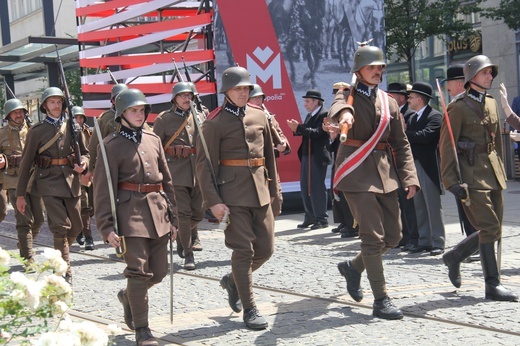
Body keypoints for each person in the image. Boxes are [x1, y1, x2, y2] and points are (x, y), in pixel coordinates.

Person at [330, 45, 419, 320]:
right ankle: (381, 300)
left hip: (384, 175)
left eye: (380, 67)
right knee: (373, 237)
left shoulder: (388, 102)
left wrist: (409, 176)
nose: (377, 72)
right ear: (359, 70)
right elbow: (338, 106)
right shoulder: (347, 94)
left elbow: (400, 143)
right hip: (355, 174)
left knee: (393, 236)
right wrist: (344, 114)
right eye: (372, 67)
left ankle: (353, 267)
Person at [196, 66, 280, 330]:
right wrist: (213, 201)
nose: (243, 93)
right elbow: (203, 165)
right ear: (227, 91)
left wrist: (275, 192)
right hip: (231, 195)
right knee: (244, 251)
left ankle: (233, 281)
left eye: (246, 88)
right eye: (238, 89)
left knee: (265, 250)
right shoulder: (214, 122)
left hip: (261, 192)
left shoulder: (259, 115)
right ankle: (250, 308)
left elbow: (269, 158)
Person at [94, 88, 179, 345]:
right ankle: (142, 329)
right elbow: (101, 188)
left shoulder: (153, 139)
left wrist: (174, 218)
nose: (139, 115)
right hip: (129, 214)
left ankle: (129, 295)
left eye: (142, 110)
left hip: (158, 211)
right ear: (122, 114)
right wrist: (106, 226)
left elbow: (168, 180)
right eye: (134, 110)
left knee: (159, 272)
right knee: (139, 272)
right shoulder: (110, 145)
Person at [439, 55, 518, 301]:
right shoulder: (458, 107)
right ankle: (492, 285)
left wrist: (501, 171)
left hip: (493, 174)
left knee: (493, 229)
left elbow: (494, 142)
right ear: (472, 77)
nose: (490, 76)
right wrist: (451, 181)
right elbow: (447, 146)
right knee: (490, 227)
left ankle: (455, 256)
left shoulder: (492, 103)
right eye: (485, 73)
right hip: (471, 176)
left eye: (490, 73)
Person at [15, 87, 89, 284]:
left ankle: (59, 254)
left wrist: (85, 163)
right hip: (47, 181)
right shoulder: (37, 131)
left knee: (76, 226)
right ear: (45, 106)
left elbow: (86, 152)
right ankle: (63, 270)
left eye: (59, 102)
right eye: (52, 102)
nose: (56, 105)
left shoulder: (73, 127)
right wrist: (20, 194)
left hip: (71, 181)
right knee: (60, 226)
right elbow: (26, 163)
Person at [153, 82, 204, 270]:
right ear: (174, 99)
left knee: (198, 213)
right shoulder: (164, 119)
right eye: (182, 96)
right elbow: (154, 146)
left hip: (197, 171)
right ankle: (188, 254)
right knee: (183, 213)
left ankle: (183, 239)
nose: (186, 99)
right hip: (176, 171)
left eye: (189, 95)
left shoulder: (199, 116)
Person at [0, 99, 44, 265]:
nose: (19, 115)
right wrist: (4, 159)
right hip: (14, 182)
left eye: (21, 112)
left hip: (34, 180)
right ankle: (27, 258)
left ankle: (25, 243)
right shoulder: (1, 133)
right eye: (15, 112)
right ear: (8, 116)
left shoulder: (34, 131)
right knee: (24, 220)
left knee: (39, 219)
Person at [442, 64, 479, 262]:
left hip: (470, 164)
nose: (447, 87)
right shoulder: (456, 103)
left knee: (472, 208)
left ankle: (475, 246)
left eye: (449, 83)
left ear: (458, 84)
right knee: (465, 208)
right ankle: (471, 243)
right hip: (461, 164)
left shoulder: (462, 105)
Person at [404, 82, 445, 256]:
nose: (409, 99)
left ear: (420, 99)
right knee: (419, 204)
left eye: (411, 97)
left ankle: (438, 241)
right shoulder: (412, 118)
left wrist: (406, 133)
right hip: (415, 164)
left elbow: (426, 136)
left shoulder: (435, 116)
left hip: (428, 166)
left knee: (432, 205)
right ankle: (424, 240)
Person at [287, 89, 332, 230]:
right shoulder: (310, 115)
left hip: (317, 156)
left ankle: (321, 218)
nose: (305, 104)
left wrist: (298, 127)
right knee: (305, 186)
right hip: (307, 154)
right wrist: (297, 128)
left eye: (307, 101)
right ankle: (310, 216)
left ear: (316, 102)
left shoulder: (324, 114)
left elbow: (318, 133)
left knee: (317, 187)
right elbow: (307, 130)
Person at [248, 83, 291, 217]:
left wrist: (283, 144)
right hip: (253, 167)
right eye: (255, 98)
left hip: (270, 165)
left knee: (276, 202)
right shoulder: (246, 119)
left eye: (261, 98)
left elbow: (280, 134)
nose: (259, 101)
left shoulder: (269, 117)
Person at [324, 82, 358, 238]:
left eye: (339, 93)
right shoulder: (336, 112)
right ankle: (345, 222)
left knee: (349, 194)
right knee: (339, 194)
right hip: (339, 157)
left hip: (350, 159)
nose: (336, 96)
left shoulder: (352, 111)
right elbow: (332, 146)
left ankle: (353, 225)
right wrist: (332, 136)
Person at [387, 82, 418, 249]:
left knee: (409, 204)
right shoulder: (393, 113)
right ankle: (404, 236)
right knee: (400, 203)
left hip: (406, 163)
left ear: (401, 97)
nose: (389, 98)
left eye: (392, 95)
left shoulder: (410, 114)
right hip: (394, 163)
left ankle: (413, 237)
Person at [72, 106, 95, 251]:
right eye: (76, 117)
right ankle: (88, 237)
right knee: (84, 205)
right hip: (75, 174)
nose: (79, 120)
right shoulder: (68, 132)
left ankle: (80, 229)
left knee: (92, 206)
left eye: (81, 117)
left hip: (90, 173)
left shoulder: (89, 132)